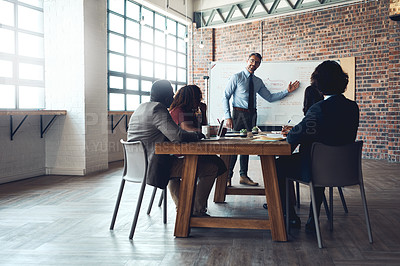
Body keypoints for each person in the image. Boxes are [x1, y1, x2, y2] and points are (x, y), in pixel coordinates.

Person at [276, 60, 359, 231]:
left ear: (318, 84)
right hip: (345, 168)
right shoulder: (353, 107)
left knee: (278, 165)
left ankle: (289, 215)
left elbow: (293, 137)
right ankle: (313, 218)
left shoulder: (318, 108)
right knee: (322, 157)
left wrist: (296, 131)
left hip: (318, 169)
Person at [127, 80, 219, 217]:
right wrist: (197, 135)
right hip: (154, 166)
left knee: (203, 163)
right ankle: (195, 210)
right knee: (212, 167)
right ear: (165, 97)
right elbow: (178, 136)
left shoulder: (141, 108)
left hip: (137, 166)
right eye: (171, 94)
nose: (173, 97)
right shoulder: (157, 109)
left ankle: (185, 209)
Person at [222, 52, 300, 187]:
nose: (253, 64)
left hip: (252, 115)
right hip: (238, 114)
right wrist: (228, 116)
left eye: (257, 62)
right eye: (252, 61)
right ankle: (228, 177)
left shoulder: (258, 81)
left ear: (259, 65)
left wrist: (287, 91)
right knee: (234, 147)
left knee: (247, 146)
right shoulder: (236, 77)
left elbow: (269, 97)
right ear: (247, 61)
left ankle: (243, 176)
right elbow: (225, 97)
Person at [168, 85, 227, 210]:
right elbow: (187, 129)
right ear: (190, 98)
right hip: (179, 156)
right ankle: (196, 209)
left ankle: (192, 207)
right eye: (197, 98)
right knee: (213, 167)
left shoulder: (188, 111)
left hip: (186, 152)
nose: (199, 100)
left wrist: (204, 112)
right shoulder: (179, 111)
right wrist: (208, 131)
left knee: (218, 163)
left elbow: (203, 127)